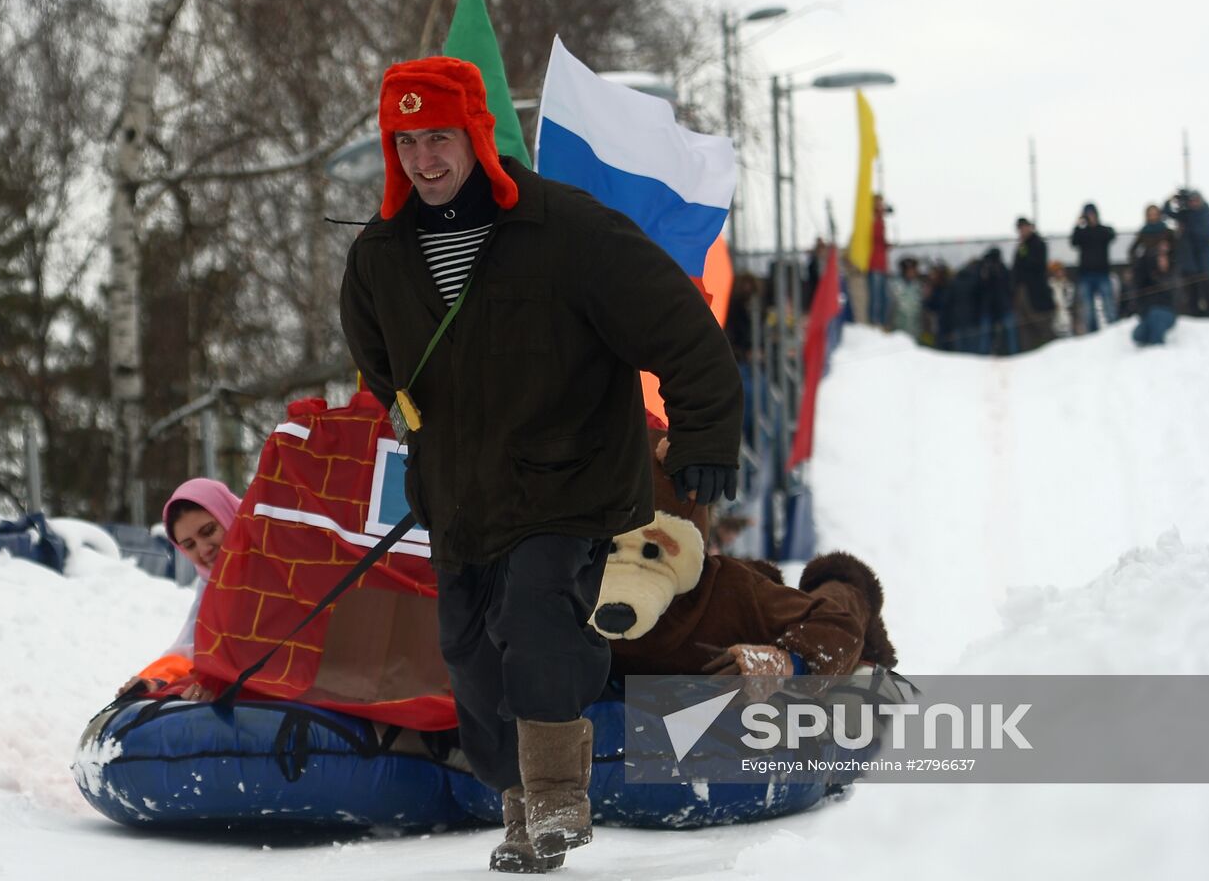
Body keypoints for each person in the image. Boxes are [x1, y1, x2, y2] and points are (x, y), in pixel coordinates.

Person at [339, 57, 742, 874]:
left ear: (476, 134)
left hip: (570, 478)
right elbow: (381, 367)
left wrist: (703, 437)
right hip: (460, 493)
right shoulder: (380, 254)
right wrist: (430, 435)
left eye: (439, 137)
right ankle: (523, 810)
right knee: (469, 657)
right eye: (406, 141)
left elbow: (679, 327)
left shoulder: (568, 229)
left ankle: (558, 797)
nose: (423, 159)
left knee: (537, 616)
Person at [116, 478, 240, 702]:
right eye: (189, 545)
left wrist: (221, 679)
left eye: (208, 531)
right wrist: (156, 681)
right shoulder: (210, 588)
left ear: (231, 516)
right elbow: (191, 651)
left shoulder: (279, 563)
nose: (204, 549)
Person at [1069, 202, 1117, 332]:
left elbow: (1112, 235)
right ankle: (1092, 334)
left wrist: (1096, 225)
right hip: (1085, 275)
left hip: (1102, 274)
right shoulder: (1082, 232)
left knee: (1108, 306)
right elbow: (1073, 241)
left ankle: (1113, 332)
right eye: (1088, 214)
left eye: (1092, 214)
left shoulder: (1103, 230)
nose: (1090, 216)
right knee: (1088, 310)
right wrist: (1078, 224)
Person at [1012, 217, 1055, 350]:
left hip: (1037, 294)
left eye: (1024, 227)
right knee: (1025, 328)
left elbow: (1037, 265)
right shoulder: (1021, 246)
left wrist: (1024, 253)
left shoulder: (1038, 243)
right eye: (1020, 228)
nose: (1022, 231)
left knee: (1042, 325)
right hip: (1023, 292)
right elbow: (1016, 268)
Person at [1172, 189, 1209, 316]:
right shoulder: (1187, 214)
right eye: (1191, 201)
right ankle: (1194, 314)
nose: (1194, 203)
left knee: (1207, 291)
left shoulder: (1206, 214)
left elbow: (1205, 234)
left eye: (1196, 200)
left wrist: (1188, 225)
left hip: (1204, 262)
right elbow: (1167, 212)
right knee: (1192, 292)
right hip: (1191, 262)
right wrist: (1171, 200)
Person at [1132, 239, 1179, 346]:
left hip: (1167, 313)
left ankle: (1157, 346)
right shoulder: (1148, 277)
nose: (1162, 262)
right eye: (1160, 259)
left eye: (1164, 259)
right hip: (1150, 313)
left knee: (1156, 316)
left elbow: (1174, 297)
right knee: (1137, 335)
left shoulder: (1172, 276)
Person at [976, 247, 1018, 355]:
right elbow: (980, 287)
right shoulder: (985, 270)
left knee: (1010, 334)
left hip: (1002, 306)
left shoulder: (1003, 269)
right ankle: (983, 357)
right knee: (986, 336)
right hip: (990, 307)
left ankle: (1014, 355)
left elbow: (1010, 286)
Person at [867, 195, 891, 327]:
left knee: (884, 297)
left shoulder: (882, 221)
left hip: (882, 265)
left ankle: (882, 323)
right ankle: (874, 323)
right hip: (874, 264)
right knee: (875, 297)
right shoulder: (872, 221)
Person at [887, 256, 923, 341]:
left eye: (913, 270)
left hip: (915, 330)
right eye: (909, 270)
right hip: (898, 329)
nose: (912, 273)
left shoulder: (919, 286)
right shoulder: (894, 285)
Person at [1048, 261, 1075, 338]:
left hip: (1068, 320)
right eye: (1056, 271)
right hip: (1054, 320)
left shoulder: (1069, 285)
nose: (1059, 273)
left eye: (1060, 270)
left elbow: (1071, 300)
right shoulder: (1050, 285)